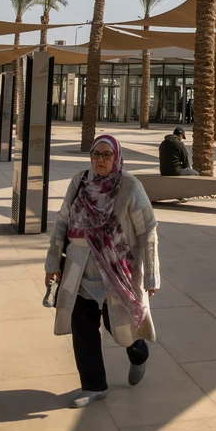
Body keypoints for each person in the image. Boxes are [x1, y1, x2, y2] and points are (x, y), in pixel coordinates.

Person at [45, 135, 160, 408]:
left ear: (116, 157)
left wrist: (152, 275)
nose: (100, 160)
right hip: (79, 271)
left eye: (106, 155)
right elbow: (62, 222)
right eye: (96, 154)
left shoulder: (130, 187)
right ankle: (93, 386)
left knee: (120, 326)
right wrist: (52, 263)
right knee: (83, 329)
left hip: (117, 274)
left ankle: (138, 352)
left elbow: (148, 232)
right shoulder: (79, 182)